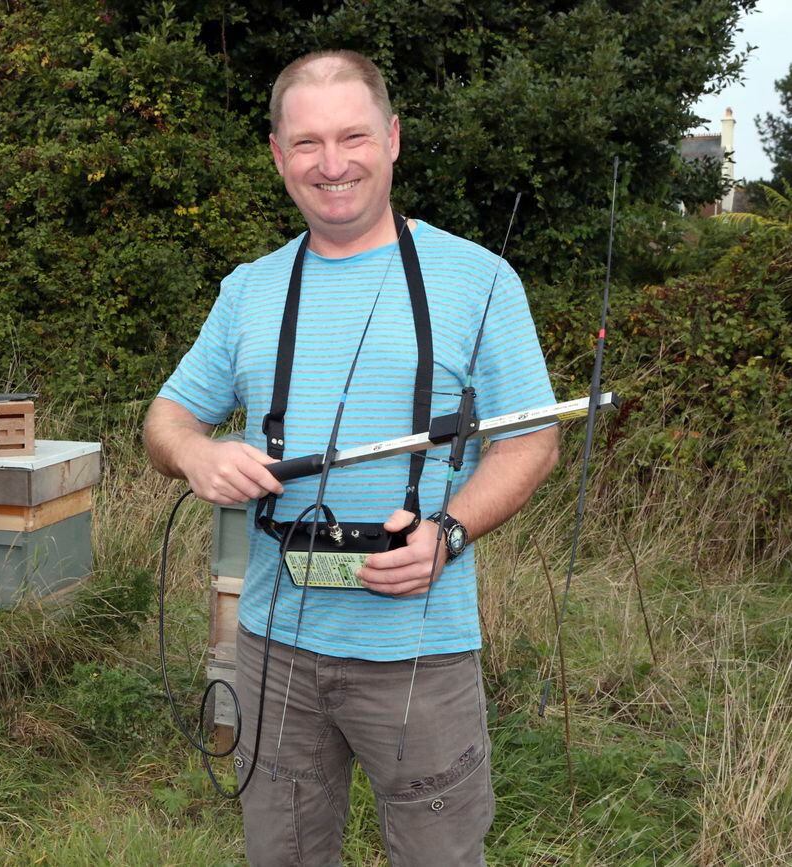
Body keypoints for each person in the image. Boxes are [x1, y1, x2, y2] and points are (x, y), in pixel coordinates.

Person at [143, 49, 559, 866]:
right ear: (277, 154)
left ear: (393, 138)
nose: (332, 165)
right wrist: (195, 453)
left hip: (423, 654)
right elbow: (165, 418)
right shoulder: (248, 290)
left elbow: (533, 438)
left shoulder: (481, 279)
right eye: (306, 144)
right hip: (272, 649)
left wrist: (450, 528)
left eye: (353, 136)